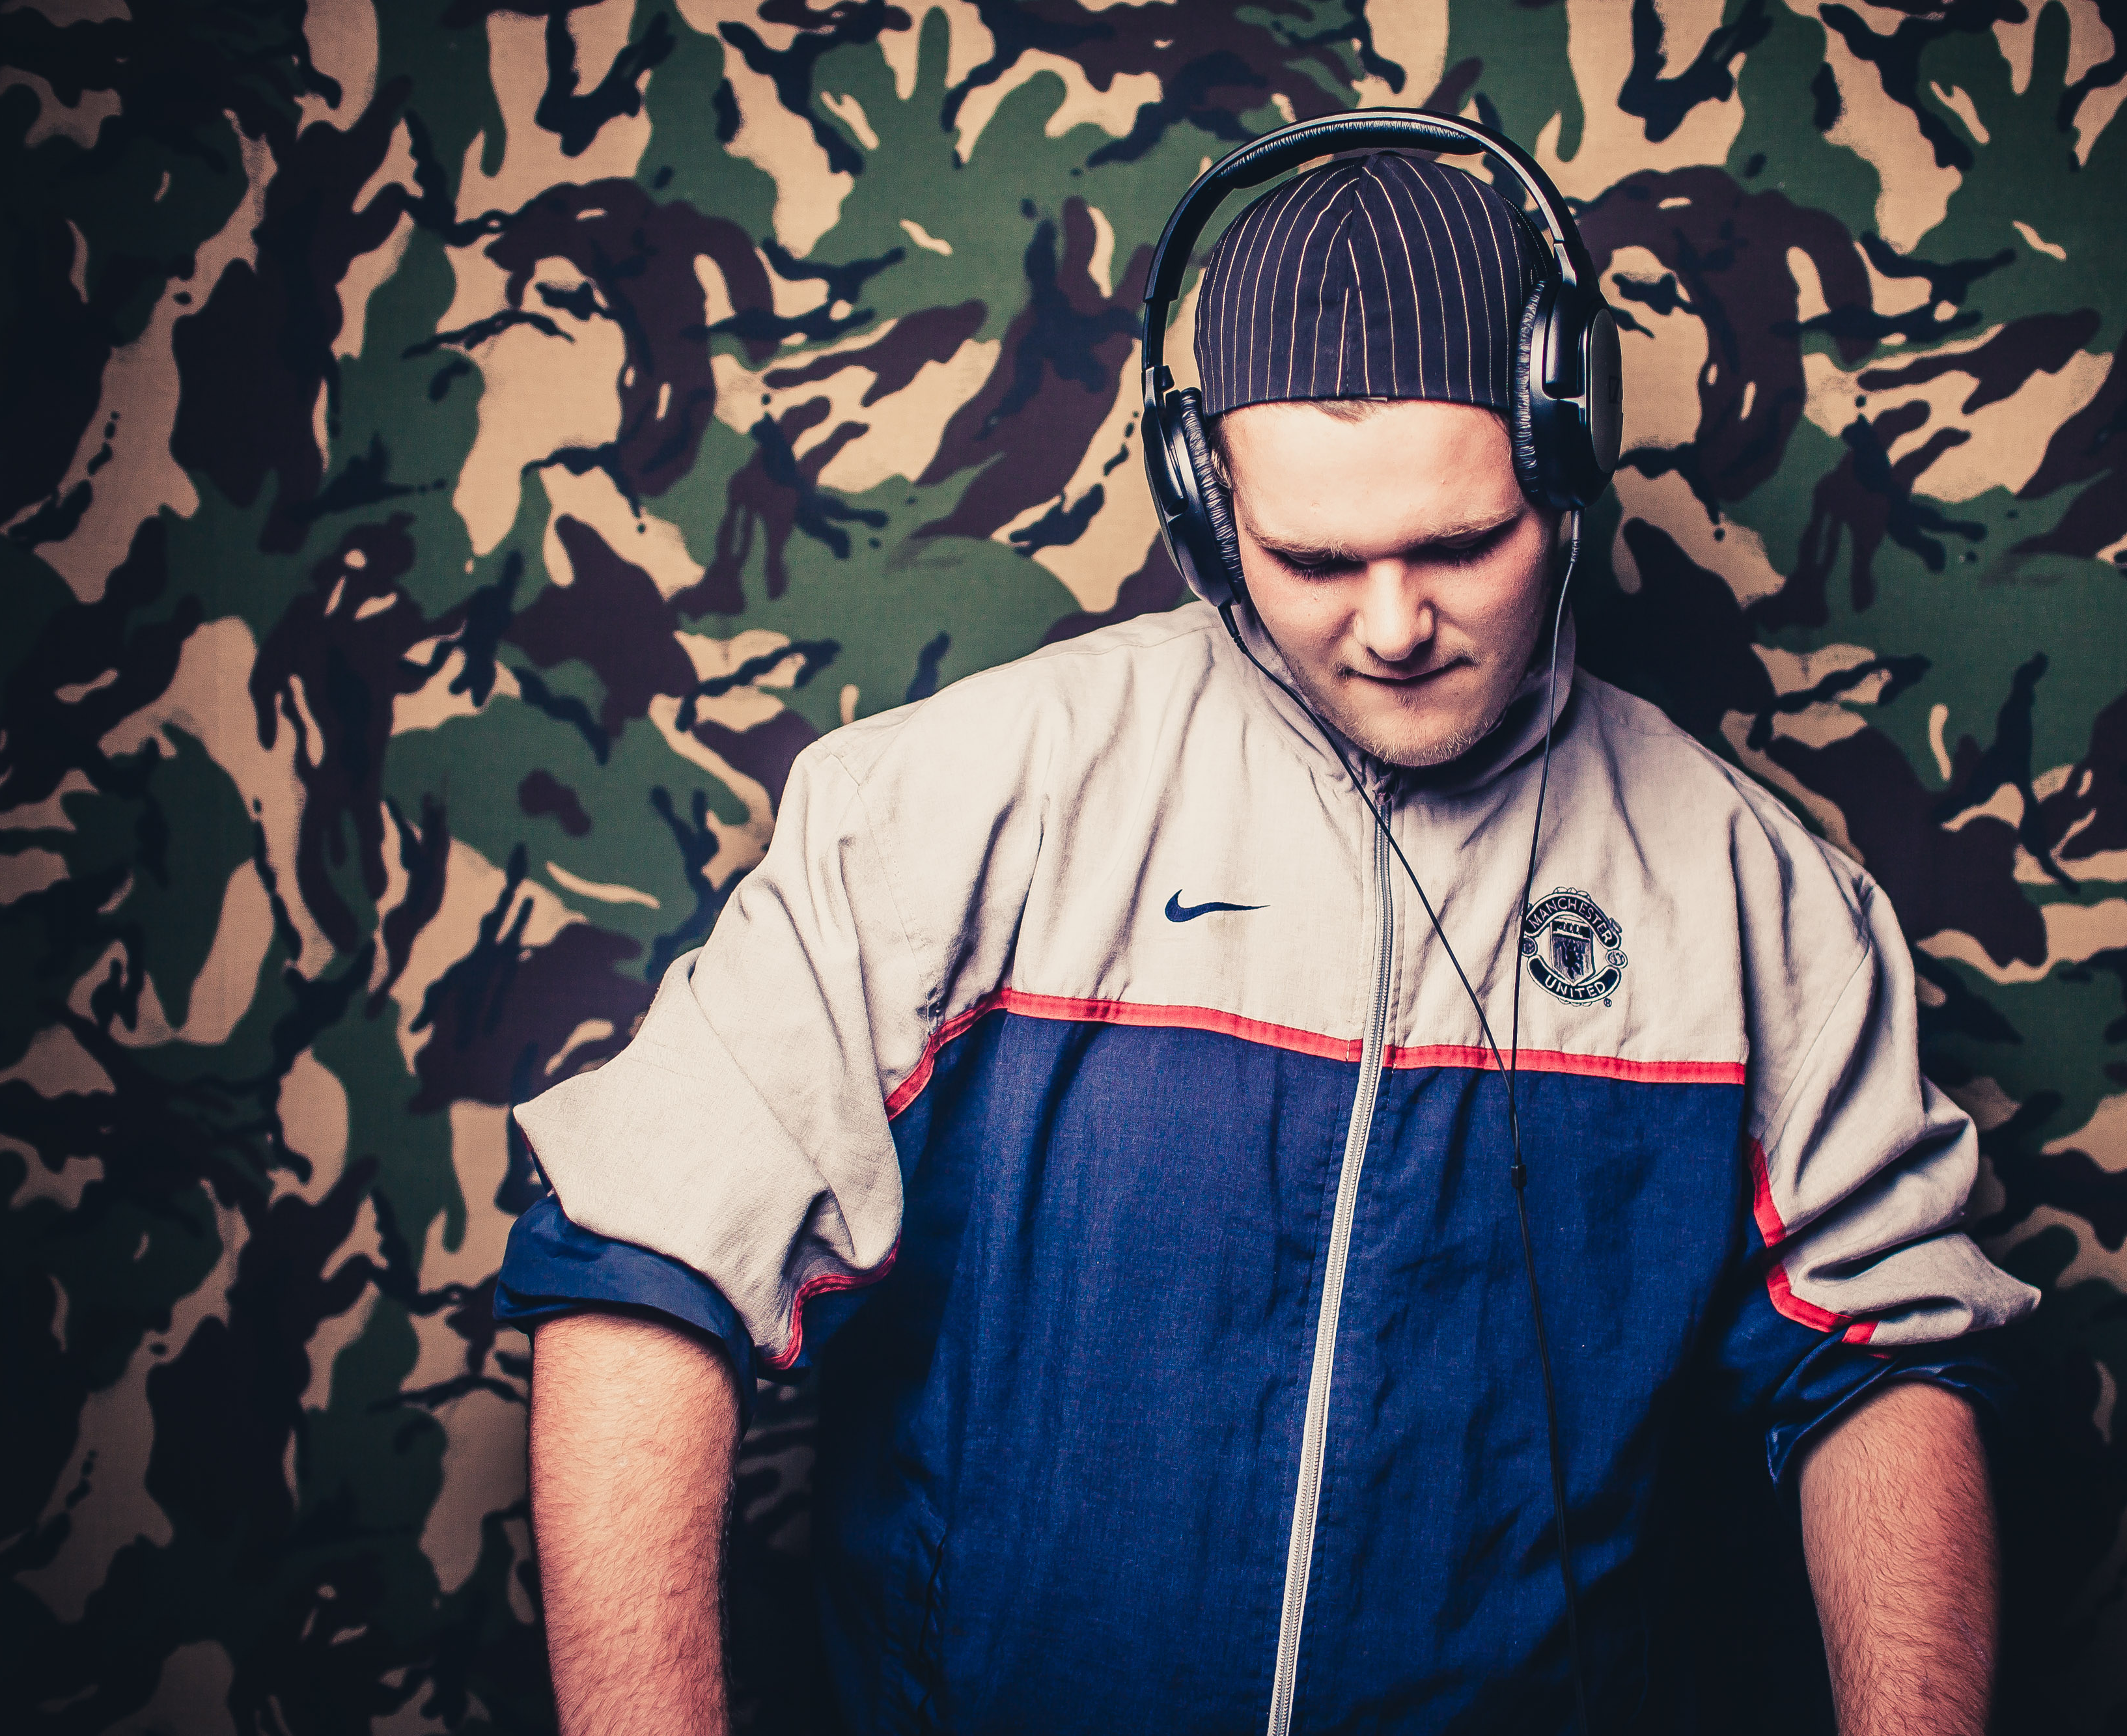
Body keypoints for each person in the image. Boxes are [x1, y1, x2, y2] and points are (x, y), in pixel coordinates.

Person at [497, 116, 2039, 1736]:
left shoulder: (1757, 894)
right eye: (1311, 557)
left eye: (1459, 542)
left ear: (1565, 460)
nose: (1390, 627)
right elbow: (643, 1270)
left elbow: (1887, 1359)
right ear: (1202, 491)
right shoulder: (953, 801)